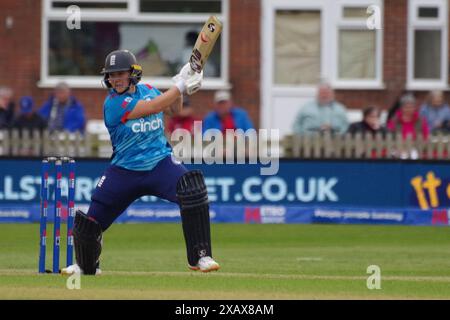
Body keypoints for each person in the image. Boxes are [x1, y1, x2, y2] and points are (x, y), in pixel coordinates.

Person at [62, 49, 219, 275]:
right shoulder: (113, 104)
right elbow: (154, 108)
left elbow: (175, 109)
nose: (115, 79)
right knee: (89, 224)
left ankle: (200, 257)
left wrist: (181, 81)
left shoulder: (148, 90)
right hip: (124, 170)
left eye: (120, 74)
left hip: (159, 164)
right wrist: (181, 85)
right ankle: (85, 265)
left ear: (133, 73)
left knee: (192, 189)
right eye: (111, 75)